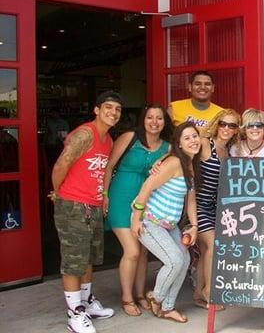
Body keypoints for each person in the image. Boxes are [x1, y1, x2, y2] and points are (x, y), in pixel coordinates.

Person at [51, 91, 123, 333]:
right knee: (73, 261)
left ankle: (87, 302)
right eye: (108, 107)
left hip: (92, 205)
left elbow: (103, 171)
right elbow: (61, 164)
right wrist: (57, 192)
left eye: (117, 109)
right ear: (96, 109)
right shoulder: (85, 134)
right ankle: (75, 313)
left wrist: (102, 196)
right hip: (73, 205)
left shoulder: (108, 139)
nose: (113, 113)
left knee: (89, 257)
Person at [102, 104, 173, 316]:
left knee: (143, 251)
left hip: (145, 203)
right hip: (120, 199)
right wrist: (104, 195)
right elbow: (109, 166)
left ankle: (140, 294)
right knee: (132, 250)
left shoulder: (167, 147)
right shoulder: (130, 137)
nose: (154, 122)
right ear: (143, 120)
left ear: (164, 122)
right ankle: (126, 297)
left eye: (159, 118)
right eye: (149, 117)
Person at [130, 122, 202, 324]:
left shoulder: (190, 164)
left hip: (168, 224)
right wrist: (136, 220)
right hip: (149, 220)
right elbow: (146, 187)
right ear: (178, 143)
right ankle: (157, 298)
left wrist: (194, 226)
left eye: (195, 136)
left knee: (185, 260)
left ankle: (167, 308)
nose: (193, 141)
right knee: (175, 261)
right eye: (186, 138)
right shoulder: (173, 163)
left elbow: (191, 200)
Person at [193, 109, 241, 310]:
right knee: (213, 246)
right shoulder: (205, 144)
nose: (227, 129)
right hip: (196, 207)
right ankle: (209, 292)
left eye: (232, 125)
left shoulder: (230, 151)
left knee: (206, 251)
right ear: (216, 124)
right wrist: (160, 164)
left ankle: (198, 295)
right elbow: (180, 155)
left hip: (216, 208)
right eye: (223, 123)